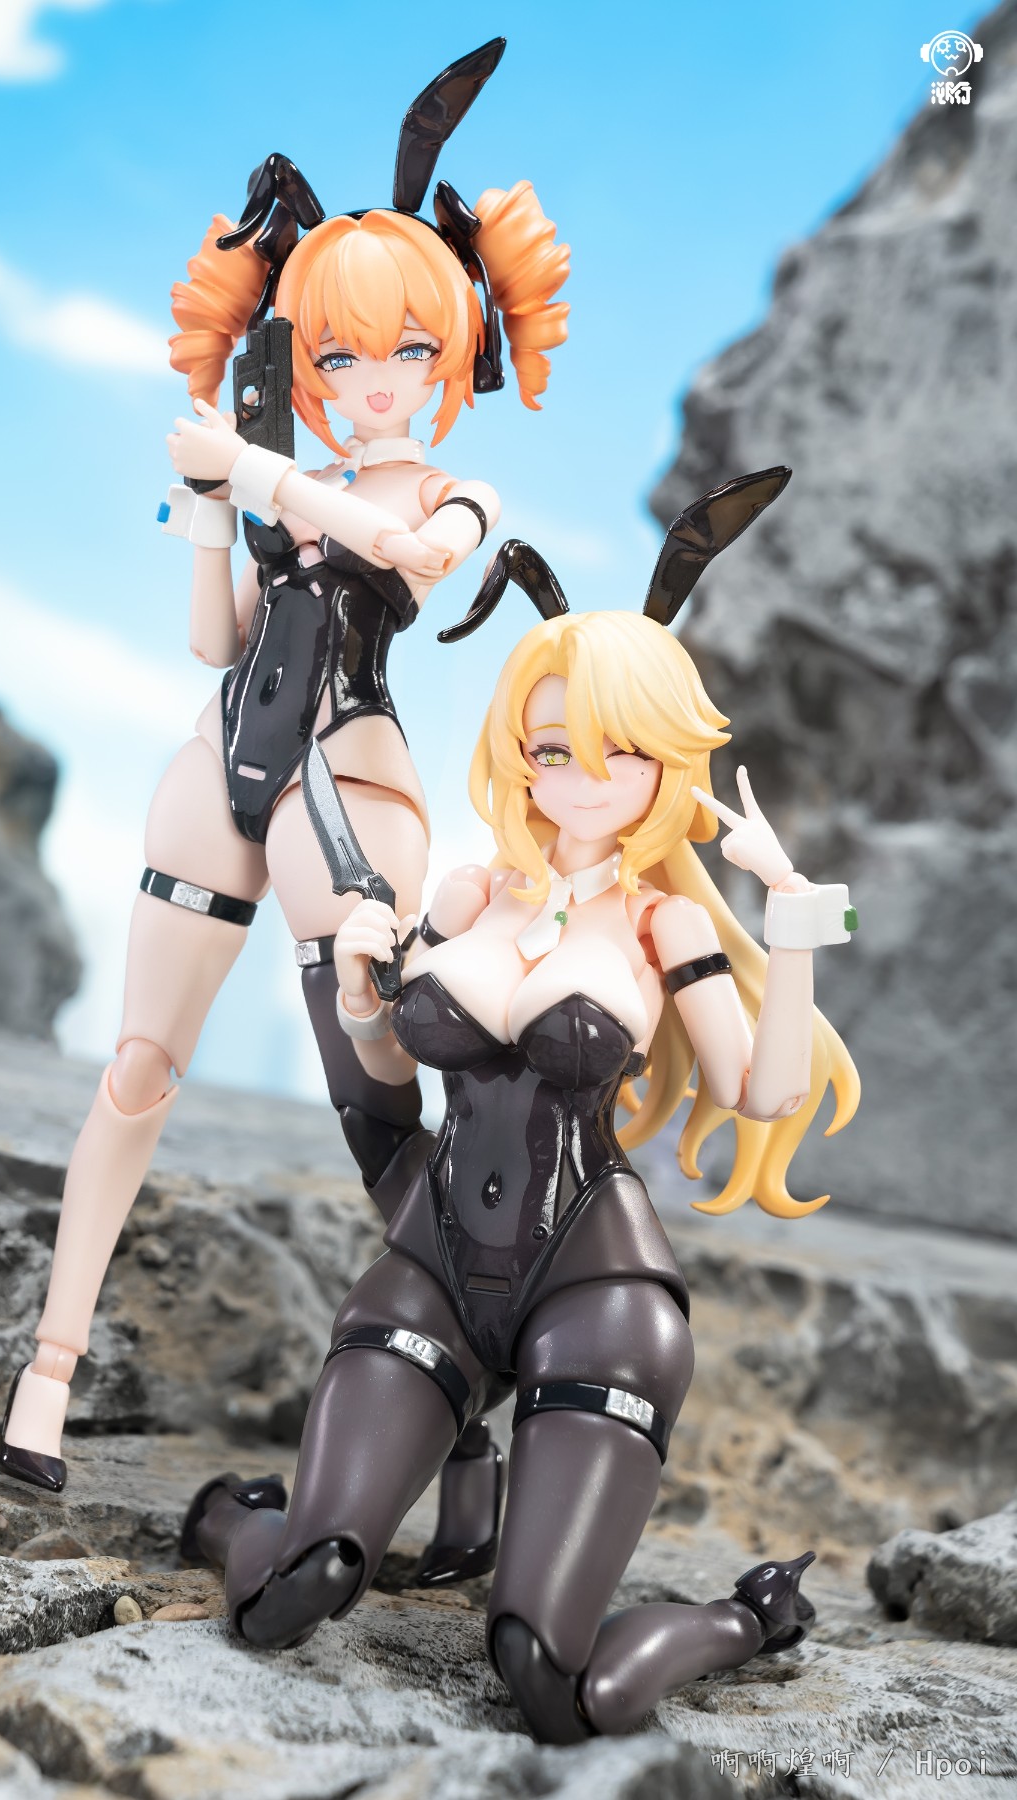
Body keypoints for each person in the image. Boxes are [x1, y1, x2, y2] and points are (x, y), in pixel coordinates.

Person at [0, 37, 569, 1590]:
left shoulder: (451, 492)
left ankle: (468, 1426)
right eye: (338, 358)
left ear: (449, 357)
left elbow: (416, 562)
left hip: (353, 787)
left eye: (403, 356)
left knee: (378, 1117)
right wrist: (206, 512)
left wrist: (260, 472)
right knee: (136, 1069)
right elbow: (220, 638)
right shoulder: (283, 474)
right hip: (223, 758)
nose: (371, 387)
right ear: (303, 357)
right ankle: (48, 1369)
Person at [183, 536, 860, 1742]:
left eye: (618, 751)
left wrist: (797, 913)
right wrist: (362, 995)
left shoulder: (661, 926)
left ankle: (746, 1619)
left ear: (667, 757)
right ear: (518, 753)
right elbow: (391, 1067)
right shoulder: (468, 894)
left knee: (549, 1677)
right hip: (435, 1267)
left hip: (594, 1291)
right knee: (297, 1585)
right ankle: (233, 1517)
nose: (582, 779)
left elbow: (762, 1093)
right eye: (553, 750)